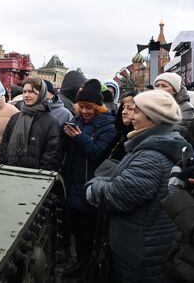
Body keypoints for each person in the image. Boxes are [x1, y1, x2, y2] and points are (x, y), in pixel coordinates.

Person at [86, 90, 190, 282]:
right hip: (147, 244)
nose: (131, 116)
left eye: (137, 111)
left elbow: (118, 196)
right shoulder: (156, 144)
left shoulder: (151, 156)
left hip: (140, 254)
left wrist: (94, 186)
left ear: (152, 117)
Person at [61, 78, 116, 279]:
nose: (84, 111)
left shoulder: (107, 126)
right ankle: (81, 260)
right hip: (72, 184)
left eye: (89, 108)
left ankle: (89, 265)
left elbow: (97, 155)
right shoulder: (76, 121)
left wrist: (79, 138)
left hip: (89, 187)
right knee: (77, 230)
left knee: (90, 232)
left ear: (98, 108)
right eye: (82, 107)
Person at [0, 77, 60, 171]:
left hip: (35, 177)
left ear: (41, 94)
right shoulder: (15, 117)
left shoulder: (51, 121)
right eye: (24, 92)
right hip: (10, 172)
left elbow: (51, 154)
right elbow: (4, 145)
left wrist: (41, 173)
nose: (26, 95)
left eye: (31, 92)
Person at [94, 92, 136, 177]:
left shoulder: (136, 139)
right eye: (123, 108)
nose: (124, 112)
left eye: (130, 109)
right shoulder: (120, 134)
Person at [154, 72, 194, 145]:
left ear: (174, 90)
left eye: (164, 86)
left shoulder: (186, 107)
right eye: (157, 86)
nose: (159, 89)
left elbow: (180, 130)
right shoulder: (154, 106)